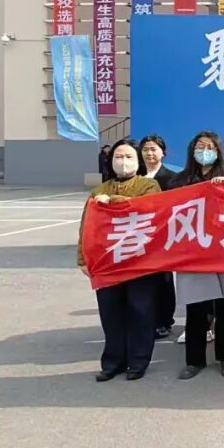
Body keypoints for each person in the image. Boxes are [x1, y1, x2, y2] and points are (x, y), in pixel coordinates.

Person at [170, 131, 224, 380]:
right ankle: (194, 360)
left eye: (210, 147)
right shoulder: (181, 179)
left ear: (218, 151)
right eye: (200, 146)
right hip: (195, 252)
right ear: (191, 150)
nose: (204, 151)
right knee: (196, 308)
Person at [78, 139, 162, 382]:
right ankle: (113, 362)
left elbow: (146, 208)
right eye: (118, 156)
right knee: (110, 313)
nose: (122, 161)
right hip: (108, 261)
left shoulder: (149, 185)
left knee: (140, 310)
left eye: (128, 157)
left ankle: (138, 361)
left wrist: (112, 202)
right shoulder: (99, 190)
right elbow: (87, 225)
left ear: (138, 161)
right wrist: (82, 258)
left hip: (140, 261)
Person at [140, 134, 178, 339]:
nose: (149, 153)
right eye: (145, 149)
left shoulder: (171, 178)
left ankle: (164, 320)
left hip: (163, 234)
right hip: (138, 235)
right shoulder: (136, 177)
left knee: (163, 279)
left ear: (163, 152)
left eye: (153, 149)